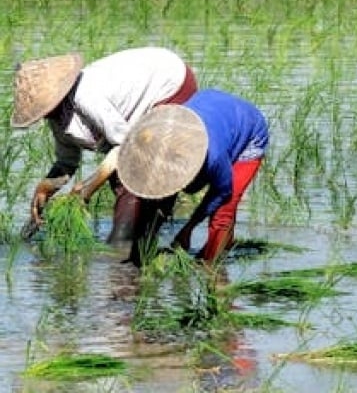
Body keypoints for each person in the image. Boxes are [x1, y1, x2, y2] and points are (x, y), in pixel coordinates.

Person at [11, 47, 197, 242]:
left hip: (170, 84)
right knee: (124, 176)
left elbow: (126, 146)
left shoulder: (86, 95)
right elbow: (67, 163)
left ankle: (122, 245)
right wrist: (45, 187)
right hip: (130, 124)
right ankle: (139, 236)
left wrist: (87, 190)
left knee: (133, 171)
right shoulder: (57, 118)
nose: (44, 116)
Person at [116, 89, 269, 266]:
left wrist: (188, 228)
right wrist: (138, 254)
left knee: (223, 211)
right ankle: (141, 255)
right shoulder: (161, 145)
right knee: (156, 199)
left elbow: (223, 192)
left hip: (249, 131)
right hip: (208, 109)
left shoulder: (214, 157)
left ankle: (212, 268)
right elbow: (151, 203)